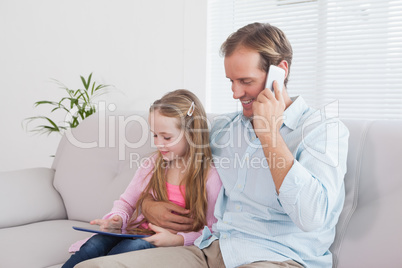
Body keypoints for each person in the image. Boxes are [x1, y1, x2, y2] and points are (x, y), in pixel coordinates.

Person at [76, 22, 349, 268]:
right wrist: (147, 204)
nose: (235, 93)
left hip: (278, 258)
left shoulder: (323, 131)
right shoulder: (224, 129)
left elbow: (313, 217)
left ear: (280, 71)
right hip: (210, 249)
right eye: (231, 81)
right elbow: (173, 153)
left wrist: (270, 136)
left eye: (246, 81)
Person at [63, 89, 222, 268]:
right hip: (137, 232)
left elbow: (214, 230)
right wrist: (117, 219)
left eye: (167, 137)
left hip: (167, 245)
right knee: (95, 244)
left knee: (132, 248)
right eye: (155, 135)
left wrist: (178, 239)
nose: (158, 143)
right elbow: (126, 202)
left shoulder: (210, 176)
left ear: (192, 134)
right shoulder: (153, 164)